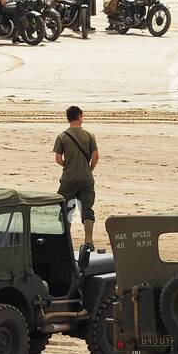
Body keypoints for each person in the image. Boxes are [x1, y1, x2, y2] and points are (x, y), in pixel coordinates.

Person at [53, 105, 99, 251]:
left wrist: (68, 166)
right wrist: (89, 169)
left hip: (68, 179)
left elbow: (58, 158)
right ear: (79, 116)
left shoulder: (62, 136)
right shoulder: (89, 134)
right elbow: (96, 156)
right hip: (86, 179)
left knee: (66, 210)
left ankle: (65, 242)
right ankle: (89, 241)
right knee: (87, 210)